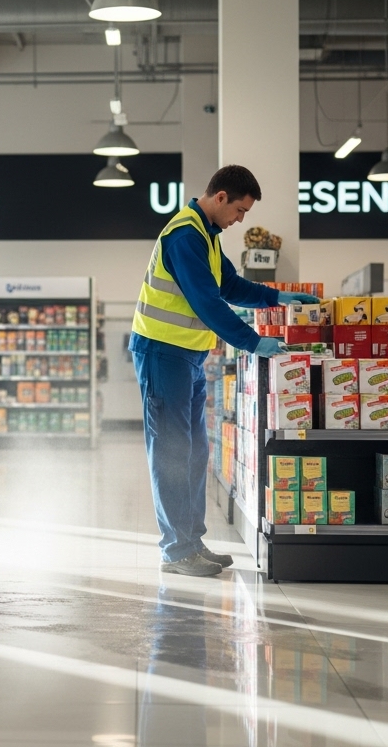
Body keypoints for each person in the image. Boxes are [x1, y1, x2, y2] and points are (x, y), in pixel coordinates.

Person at [130, 165, 318, 577]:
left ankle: (191, 542)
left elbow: (230, 287)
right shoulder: (185, 236)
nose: (240, 220)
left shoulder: (207, 237)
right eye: (239, 211)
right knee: (173, 454)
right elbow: (207, 303)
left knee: (196, 453)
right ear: (220, 198)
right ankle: (177, 551)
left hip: (189, 357)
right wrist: (252, 342)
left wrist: (277, 297)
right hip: (163, 354)